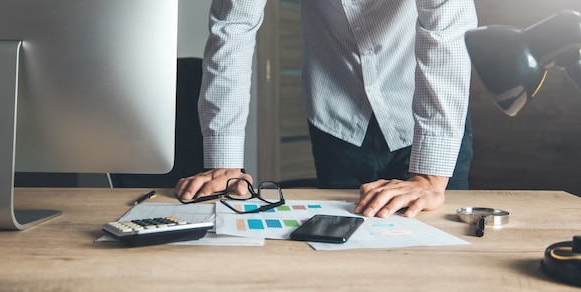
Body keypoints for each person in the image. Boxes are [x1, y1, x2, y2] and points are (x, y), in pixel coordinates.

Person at [174, 0, 478, 218]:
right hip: (338, 113)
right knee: (344, 251)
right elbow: (233, 29)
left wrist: (428, 179)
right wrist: (224, 163)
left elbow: (446, 36)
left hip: (431, 122)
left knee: (439, 248)